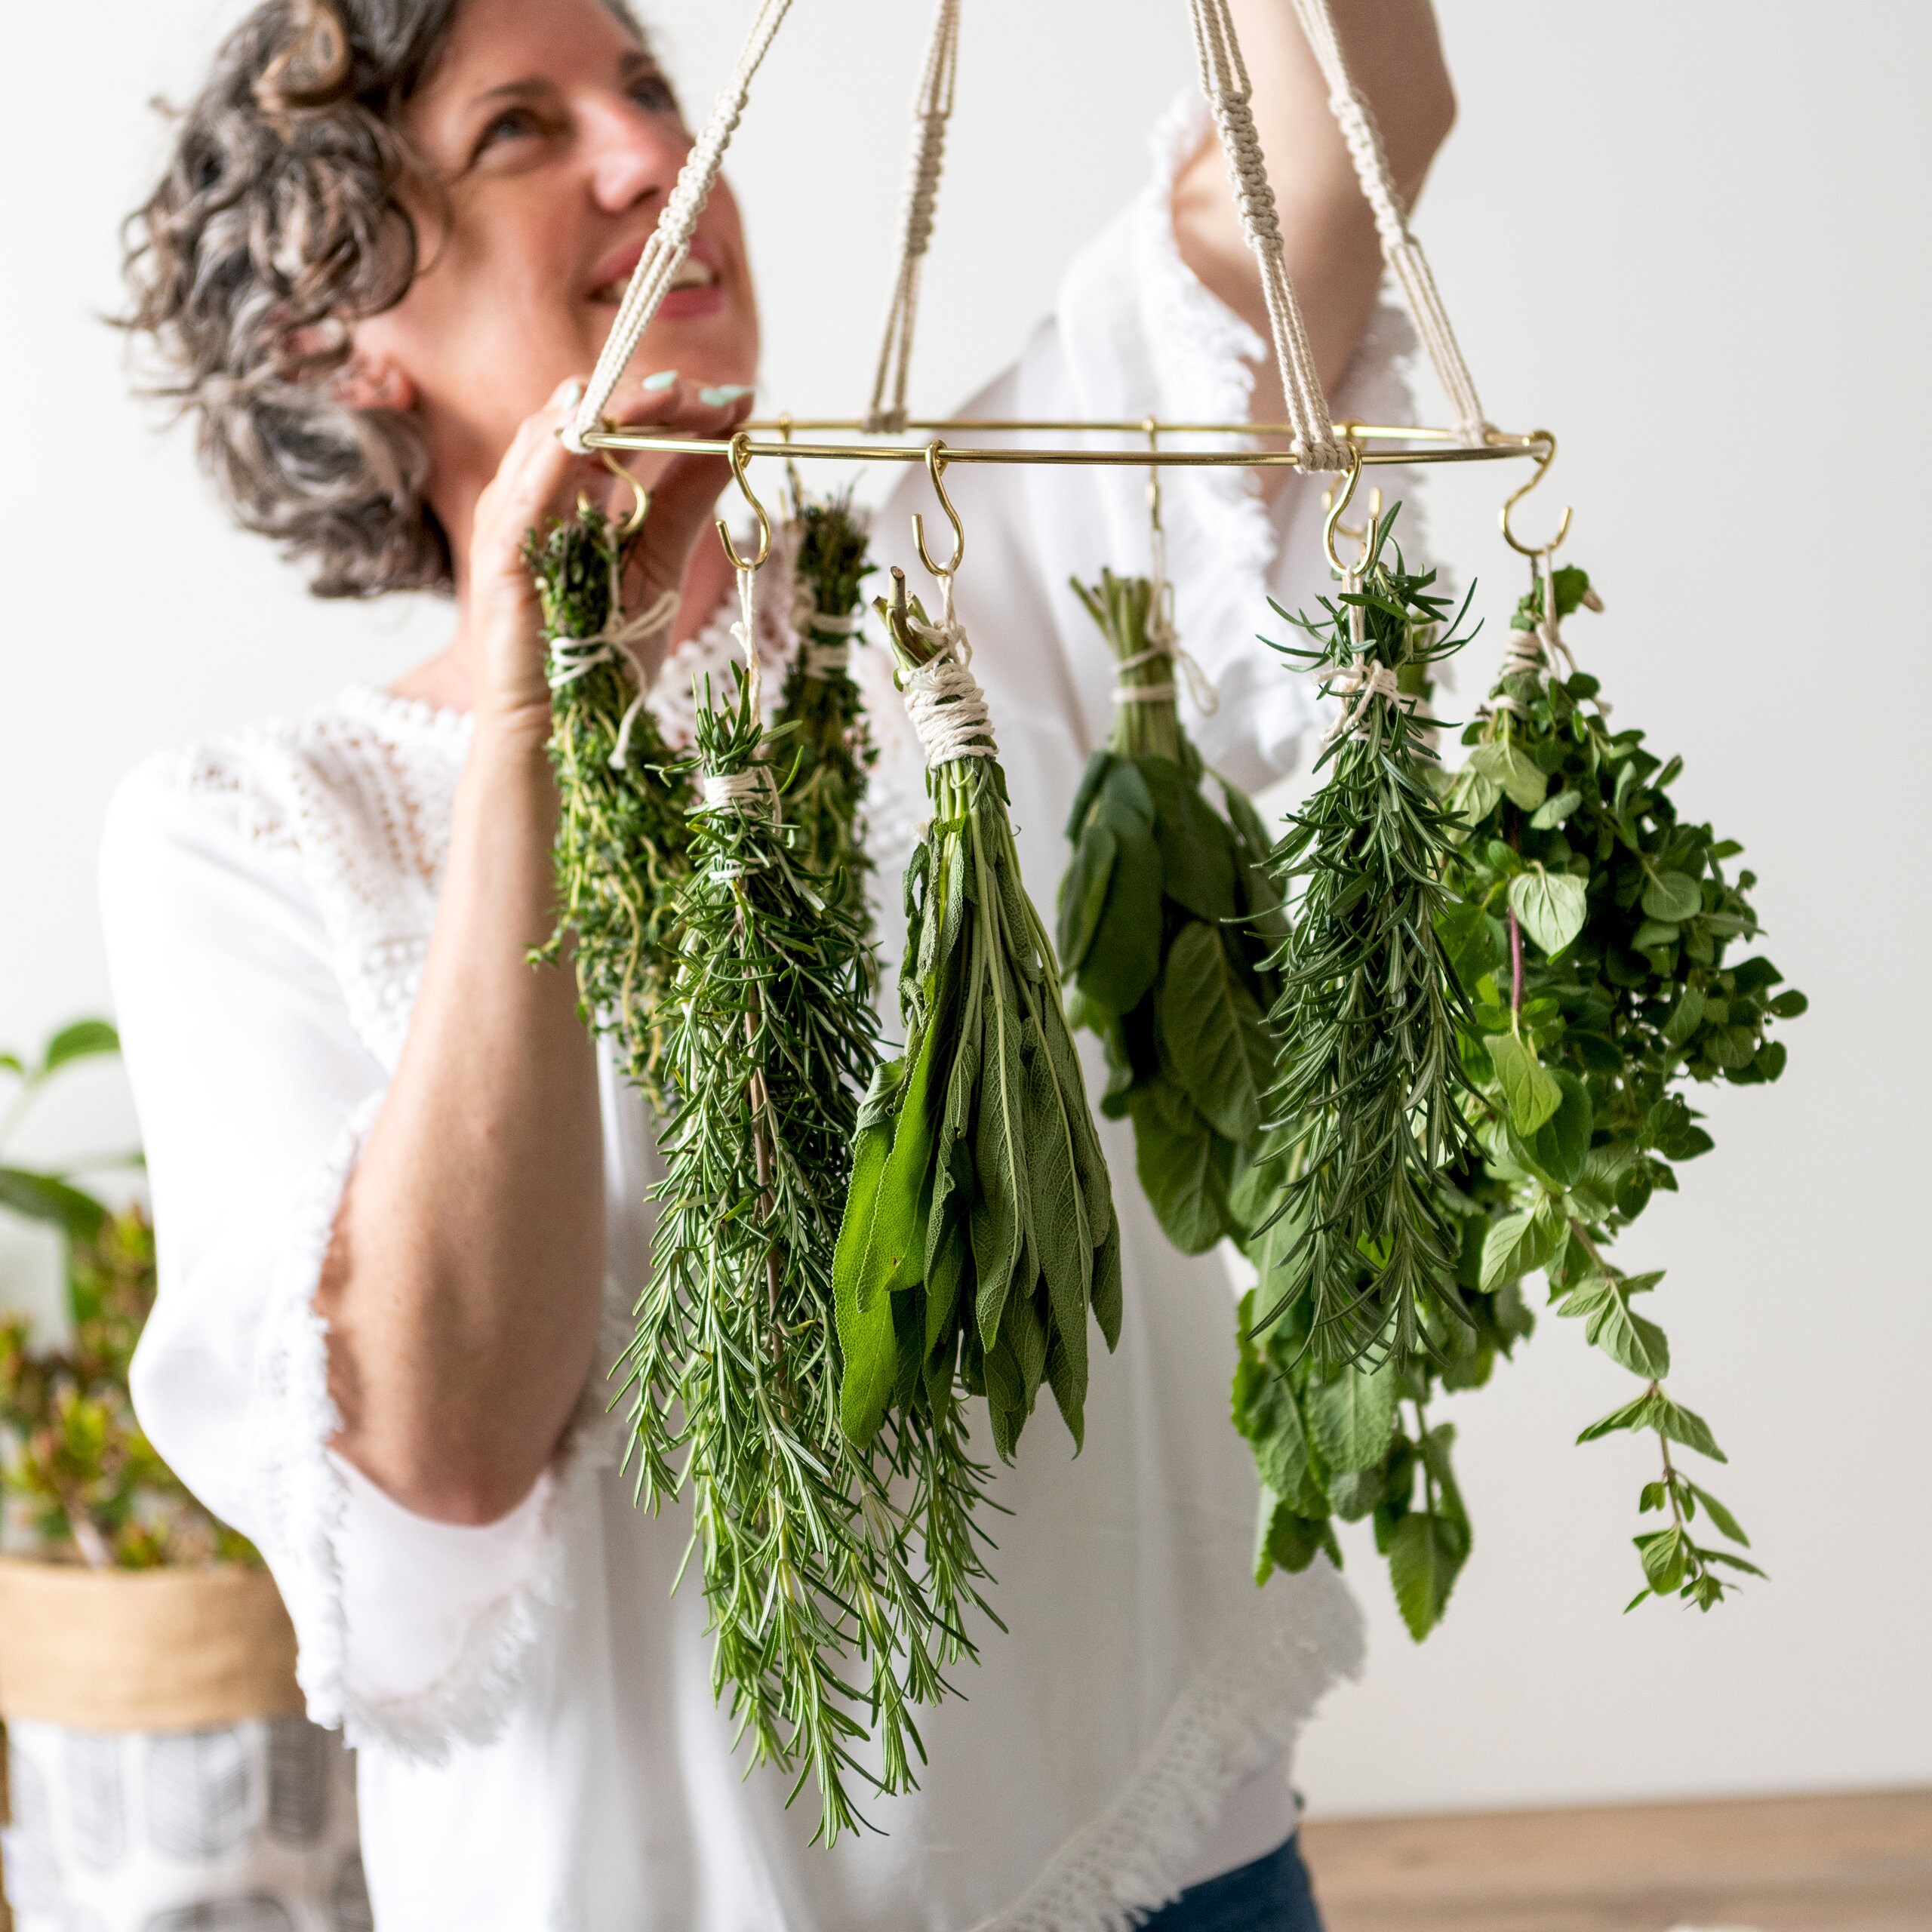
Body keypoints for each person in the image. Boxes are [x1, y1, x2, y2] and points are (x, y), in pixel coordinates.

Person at [103, 1, 1454, 1926]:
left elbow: (1356, 125)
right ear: (344, 329)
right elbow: (446, 1447)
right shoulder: (249, 837)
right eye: (518, 131)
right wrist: (528, 708)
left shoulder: (971, 582)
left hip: (1171, 1876)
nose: (655, 153)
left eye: (652, 89)